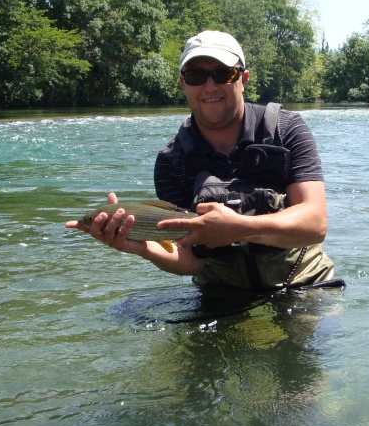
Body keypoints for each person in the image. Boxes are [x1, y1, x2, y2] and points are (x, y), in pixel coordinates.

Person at [66, 30, 338, 290]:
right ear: (183, 83)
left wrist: (239, 229)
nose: (210, 86)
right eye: (196, 75)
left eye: (223, 74)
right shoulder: (172, 159)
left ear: (243, 79)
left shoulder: (286, 129)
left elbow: (315, 224)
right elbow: (191, 261)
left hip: (305, 285)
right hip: (223, 293)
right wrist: (140, 246)